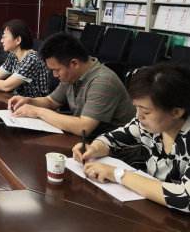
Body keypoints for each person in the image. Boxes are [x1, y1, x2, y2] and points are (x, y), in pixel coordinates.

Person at [73, 64, 190, 213]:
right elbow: (112, 140)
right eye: (136, 107)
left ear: (176, 112)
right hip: (153, 210)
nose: (138, 116)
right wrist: (94, 149)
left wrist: (118, 174)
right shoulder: (148, 125)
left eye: (146, 112)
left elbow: (185, 198)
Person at [8, 32, 135, 137]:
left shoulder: (102, 81)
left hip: (113, 153)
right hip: (88, 142)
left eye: (56, 70)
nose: (55, 75)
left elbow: (83, 128)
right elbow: (51, 101)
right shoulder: (71, 76)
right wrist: (28, 101)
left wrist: (38, 112)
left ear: (74, 63)